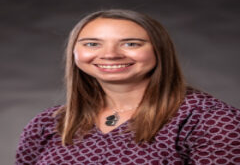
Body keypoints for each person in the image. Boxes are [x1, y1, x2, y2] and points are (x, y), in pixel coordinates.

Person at [16, 9, 240, 165]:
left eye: (131, 43)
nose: (110, 54)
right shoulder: (48, 124)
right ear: (75, 52)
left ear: (159, 50)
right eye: (92, 44)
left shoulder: (211, 120)